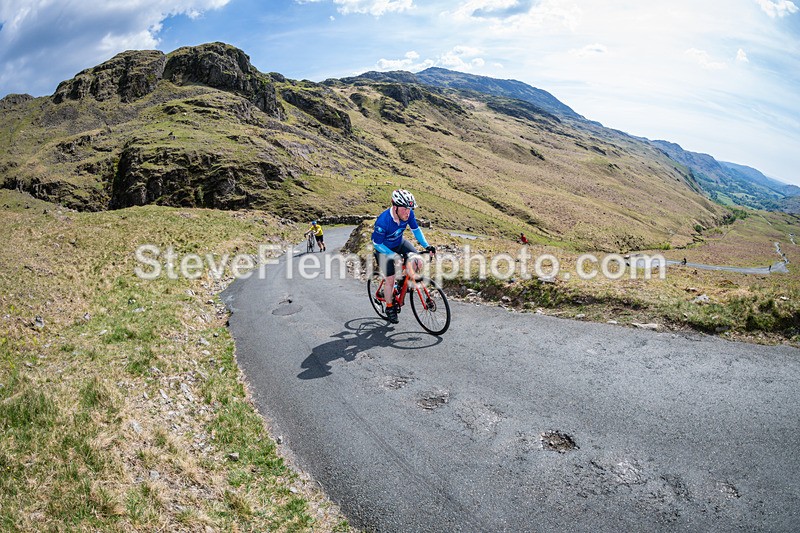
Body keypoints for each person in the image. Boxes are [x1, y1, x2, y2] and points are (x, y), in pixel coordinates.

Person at [372, 189, 436, 324]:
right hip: (383, 250)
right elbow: (376, 244)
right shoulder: (383, 221)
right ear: (395, 207)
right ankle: (389, 307)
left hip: (399, 243)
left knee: (418, 261)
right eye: (405, 209)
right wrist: (393, 255)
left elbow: (416, 230)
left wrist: (427, 246)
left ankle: (401, 283)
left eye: (410, 209)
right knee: (390, 280)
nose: (408, 212)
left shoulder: (408, 214)